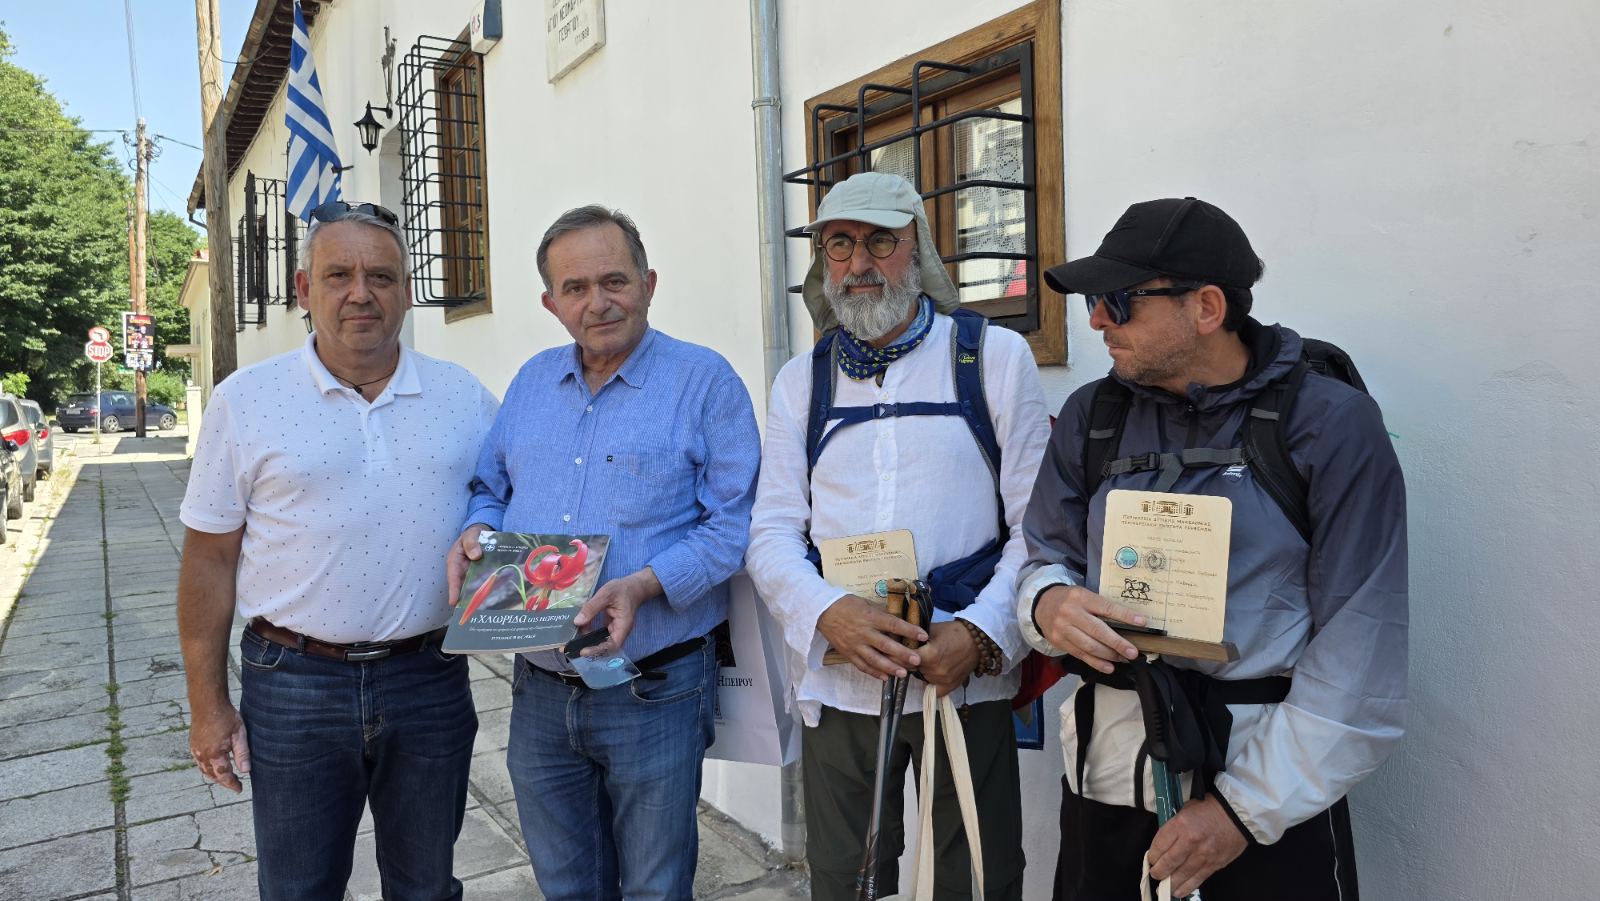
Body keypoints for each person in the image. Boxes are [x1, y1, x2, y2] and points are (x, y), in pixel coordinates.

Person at [1015, 197, 1408, 900]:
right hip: (1109, 783)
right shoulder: (1091, 415)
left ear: (1206, 307)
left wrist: (1240, 812)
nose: (1097, 320)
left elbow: (1360, 656)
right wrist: (1048, 603)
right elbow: (1042, 555)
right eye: (1093, 301)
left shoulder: (1329, 425)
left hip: (1265, 802)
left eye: (1118, 300)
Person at [176, 201, 499, 901]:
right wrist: (208, 705)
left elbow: (509, 500)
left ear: (406, 291)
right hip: (294, 682)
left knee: (427, 887)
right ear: (303, 288)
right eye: (339, 275)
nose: (361, 293)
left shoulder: (463, 397)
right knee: (299, 888)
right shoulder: (246, 401)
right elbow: (207, 559)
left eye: (380, 276)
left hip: (429, 679)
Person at [747, 171, 1049, 901]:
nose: (859, 263)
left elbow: (1039, 528)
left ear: (919, 247)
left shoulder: (993, 359)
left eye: (881, 240)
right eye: (839, 244)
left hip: (961, 679)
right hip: (841, 682)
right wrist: (828, 613)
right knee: (844, 882)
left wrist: (978, 635)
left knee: (975, 879)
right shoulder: (800, 382)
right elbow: (772, 530)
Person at [446, 204, 760, 901]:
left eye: (614, 280)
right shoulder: (531, 383)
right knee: (568, 885)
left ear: (649, 283)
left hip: (654, 686)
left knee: (655, 886)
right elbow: (489, 488)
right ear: (551, 303)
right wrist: (477, 531)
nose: (599, 302)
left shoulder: (705, 382)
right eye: (576, 288)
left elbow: (735, 525)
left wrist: (644, 584)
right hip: (537, 688)